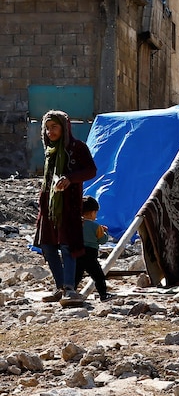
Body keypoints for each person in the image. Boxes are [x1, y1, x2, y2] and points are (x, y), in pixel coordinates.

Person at [34, 110, 97, 307]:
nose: (50, 131)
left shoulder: (78, 147)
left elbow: (91, 170)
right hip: (50, 206)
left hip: (69, 205)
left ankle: (70, 288)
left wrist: (70, 179)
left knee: (67, 246)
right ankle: (60, 286)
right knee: (48, 246)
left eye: (54, 127)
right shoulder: (49, 150)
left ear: (64, 127)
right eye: (47, 128)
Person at [75, 196, 111, 301]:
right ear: (92, 213)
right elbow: (102, 240)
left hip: (79, 252)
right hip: (91, 254)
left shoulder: (77, 224)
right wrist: (105, 232)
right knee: (98, 276)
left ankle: (70, 292)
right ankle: (103, 295)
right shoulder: (96, 226)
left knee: (77, 275)